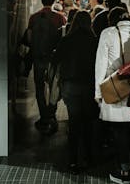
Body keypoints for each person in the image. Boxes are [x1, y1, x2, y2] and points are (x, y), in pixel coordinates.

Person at [95, 7, 130, 184]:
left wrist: (97, 92)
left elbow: (100, 64)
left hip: (115, 88)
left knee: (119, 131)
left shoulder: (108, 33)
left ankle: (124, 173)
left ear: (112, 19)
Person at [54, 11, 99, 174]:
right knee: (88, 124)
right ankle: (88, 158)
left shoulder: (66, 40)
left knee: (74, 124)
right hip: (89, 87)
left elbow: (55, 60)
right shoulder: (94, 41)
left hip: (70, 87)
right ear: (89, 23)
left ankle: (72, 161)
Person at [27, 0, 66, 134]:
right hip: (53, 59)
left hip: (38, 57)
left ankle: (43, 115)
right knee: (54, 86)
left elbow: (30, 38)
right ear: (53, 0)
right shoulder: (60, 18)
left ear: (42, 1)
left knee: (39, 87)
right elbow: (63, 39)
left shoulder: (33, 18)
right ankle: (51, 114)